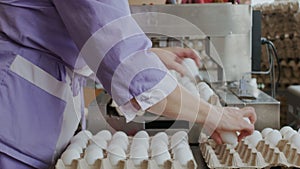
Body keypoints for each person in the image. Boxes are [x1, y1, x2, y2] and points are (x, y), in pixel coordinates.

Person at [0, 1, 256, 168]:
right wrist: (213, 115)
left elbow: (78, 40)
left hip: (30, 120)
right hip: (14, 126)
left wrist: (149, 57)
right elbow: (121, 59)